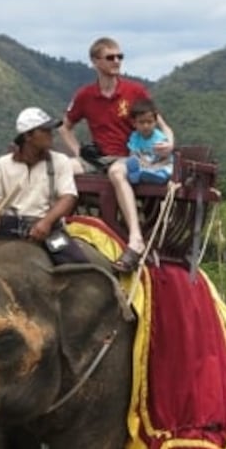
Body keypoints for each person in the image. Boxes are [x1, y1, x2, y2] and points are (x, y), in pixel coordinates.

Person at [59, 37, 175, 273]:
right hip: (98, 159)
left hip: (131, 157)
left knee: (116, 171)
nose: (117, 61)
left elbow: (163, 125)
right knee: (62, 166)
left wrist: (170, 144)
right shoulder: (86, 95)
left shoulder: (134, 91)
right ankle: (56, 225)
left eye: (120, 56)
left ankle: (135, 239)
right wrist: (79, 152)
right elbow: (64, 127)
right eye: (110, 57)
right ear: (95, 61)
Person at [0, 106, 83, 263]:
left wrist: (46, 223)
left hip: (47, 226)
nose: (50, 134)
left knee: (79, 263)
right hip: (9, 225)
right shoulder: (1, 164)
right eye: (44, 130)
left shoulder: (60, 161)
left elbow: (68, 197)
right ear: (28, 136)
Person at [125, 98, 172, 185]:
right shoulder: (135, 137)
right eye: (141, 122)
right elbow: (133, 153)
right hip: (144, 164)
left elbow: (166, 158)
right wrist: (140, 161)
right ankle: (137, 176)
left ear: (155, 122)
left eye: (149, 122)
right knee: (132, 162)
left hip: (159, 163)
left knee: (168, 168)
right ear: (134, 123)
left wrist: (155, 166)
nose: (146, 126)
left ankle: (159, 177)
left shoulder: (160, 138)